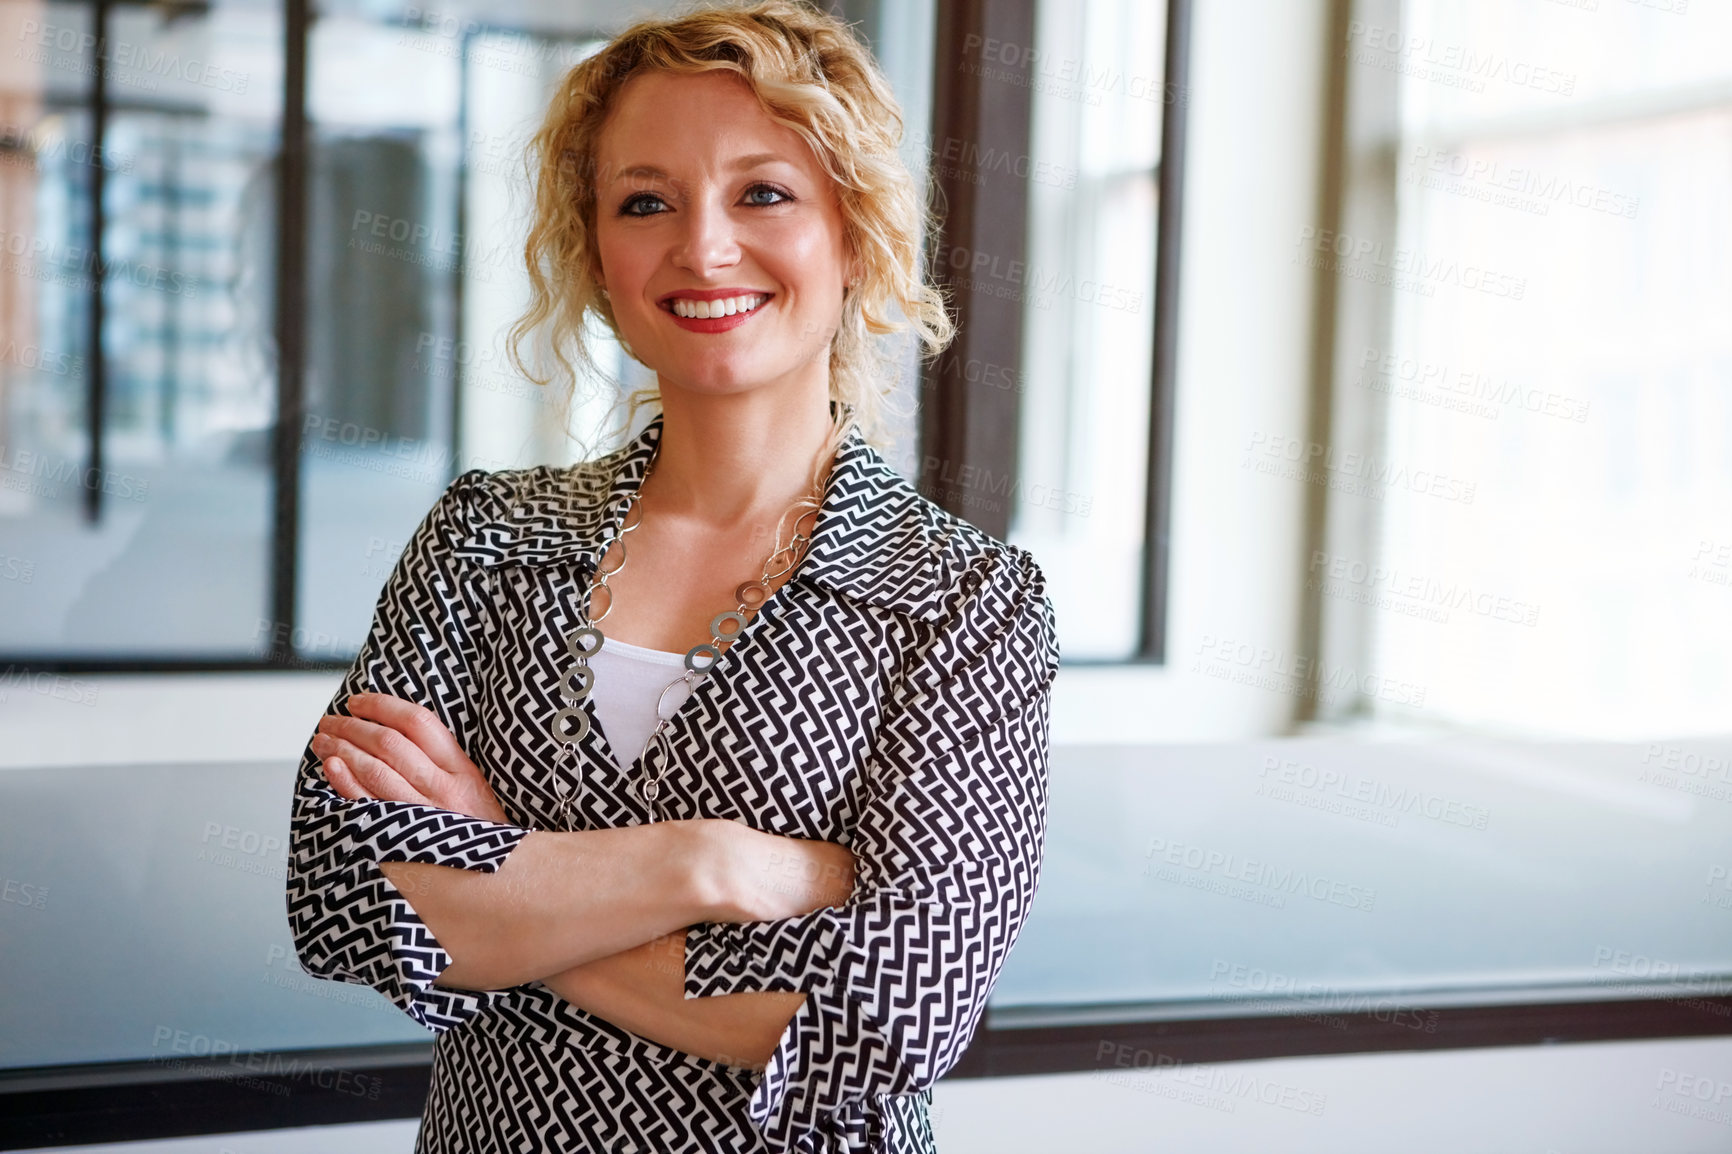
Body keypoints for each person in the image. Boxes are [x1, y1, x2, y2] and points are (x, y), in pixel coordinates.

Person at [284, 3, 1060, 1151]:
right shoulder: (486, 537)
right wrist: (708, 860)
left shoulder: (961, 597)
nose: (701, 248)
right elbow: (346, 895)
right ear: (598, 250)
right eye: (646, 201)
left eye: (763, 192)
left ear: (852, 230)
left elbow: (896, 1018)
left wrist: (502, 873)